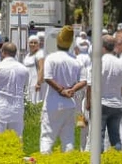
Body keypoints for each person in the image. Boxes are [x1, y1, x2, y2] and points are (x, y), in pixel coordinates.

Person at [40, 25, 84, 154]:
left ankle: (45, 162)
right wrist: (72, 90)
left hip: (53, 103)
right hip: (70, 104)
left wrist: (61, 91)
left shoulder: (51, 58)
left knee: (47, 137)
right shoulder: (76, 60)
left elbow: (47, 78)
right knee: (68, 138)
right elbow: (84, 81)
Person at [0, 41, 29, 136]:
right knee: (16, 140)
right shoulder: (24, 69)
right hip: (17, 109)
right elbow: (24, 86)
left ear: (3, 52)